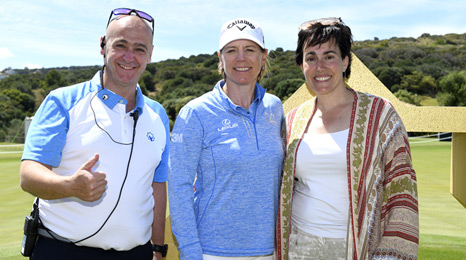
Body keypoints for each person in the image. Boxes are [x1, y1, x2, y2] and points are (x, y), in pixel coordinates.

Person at [20, 8, 169, 260]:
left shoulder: (158, 114)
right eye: (120, 45)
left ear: (150, 54)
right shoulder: (62, 101)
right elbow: (28, 176)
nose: (129, 56)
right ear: (103, 45)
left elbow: (156, 185)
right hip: (61, 251)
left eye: (140, 48)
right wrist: (69, 186)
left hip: (137, 254)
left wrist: (157, 248)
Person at [275, 18, 419, 260]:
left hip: (357, 249)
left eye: (329, 56)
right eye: (310, 58)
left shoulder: (380, 114)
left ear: (345, 61)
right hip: (298, 247)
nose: (319, 66)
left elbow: (401, 190)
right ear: (302, 65)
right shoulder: (292, 121)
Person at [168, 18, 284, 260]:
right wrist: (190, 252)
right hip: (212, 252)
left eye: (250, 49)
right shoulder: (195, 113)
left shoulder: (274, 108)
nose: (241, 58)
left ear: (263, 57)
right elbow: (179, 187)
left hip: (269, 251)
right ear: (220, 58)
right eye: (232, 50)